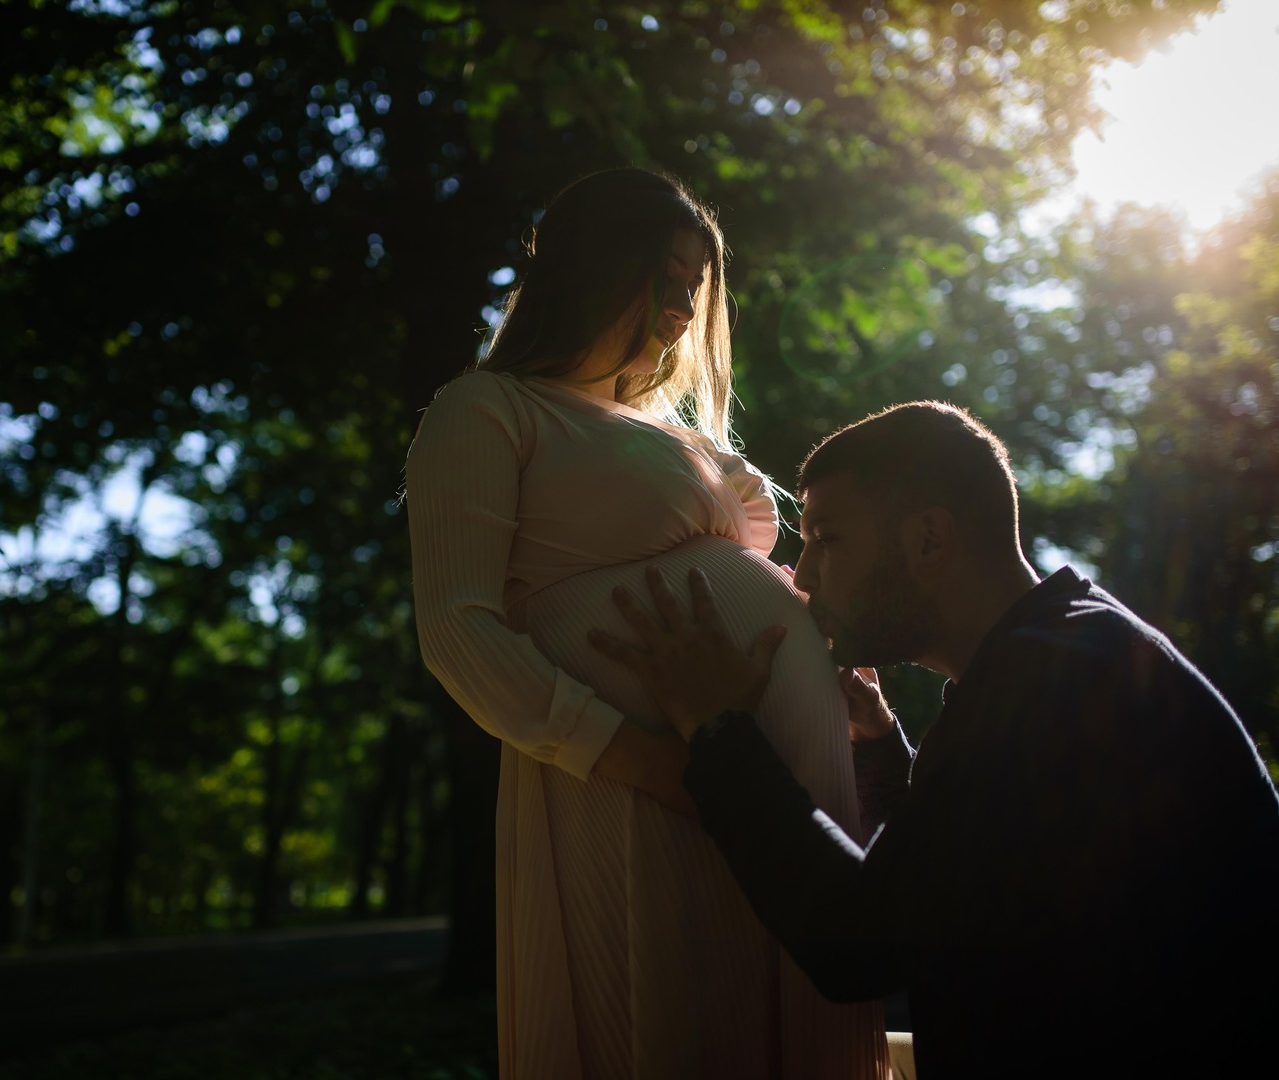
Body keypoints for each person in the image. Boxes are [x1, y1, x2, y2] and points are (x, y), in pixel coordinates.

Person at [591, 400, 1279, 1076]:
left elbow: (857, 940)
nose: (802, 576)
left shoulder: (1052, 678)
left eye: (827, 538)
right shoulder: (1066, 650)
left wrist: (717, 729)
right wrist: (887, 756)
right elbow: (972, 882)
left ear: (928, 540)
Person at [405, 168, 888, 1079]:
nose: (680, 307)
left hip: (756, 780)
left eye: (694, 286)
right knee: (676, 1021)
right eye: (661, 276)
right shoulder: (488, 410)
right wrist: (650, 761)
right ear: (590, 265)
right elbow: (458, 633)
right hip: (635, 780)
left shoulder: (666, 430)